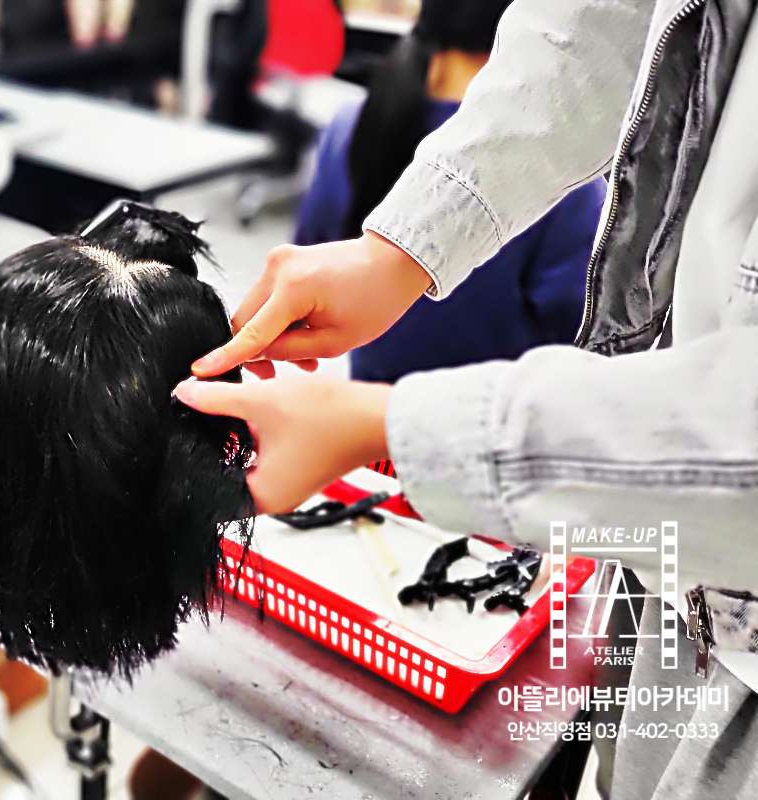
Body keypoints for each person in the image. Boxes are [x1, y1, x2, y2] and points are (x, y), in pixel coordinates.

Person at [173, 0, 758, 796]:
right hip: (656, 542)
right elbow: (601, 27)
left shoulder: (352, 128)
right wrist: (395, 253)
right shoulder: (565, 210)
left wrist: (391, 425)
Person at [293, 0, 603, 383]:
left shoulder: (349, 124)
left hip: (361, 404)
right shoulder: (562, 175)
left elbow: (314, 253)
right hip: (482, 410)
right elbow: (581, 336)